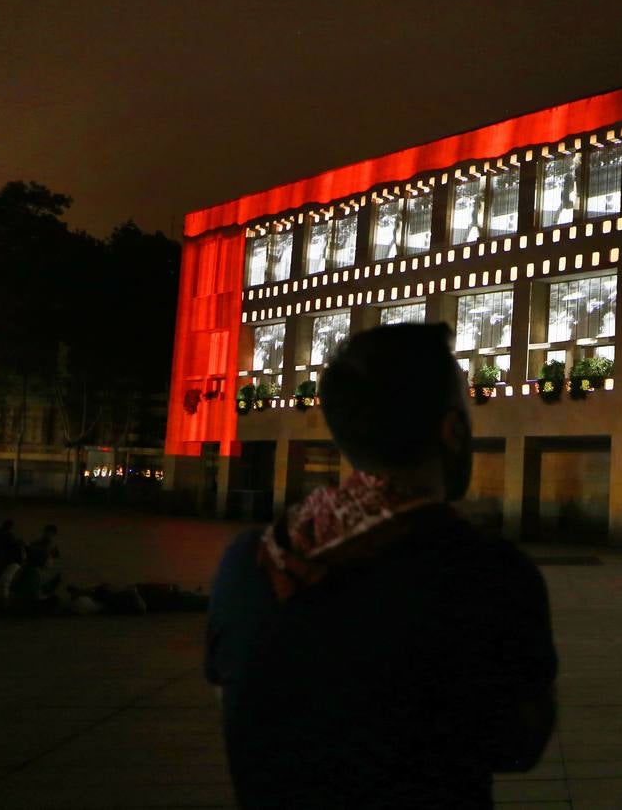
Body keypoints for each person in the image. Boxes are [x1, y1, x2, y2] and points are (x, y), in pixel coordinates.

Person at [205, 323, 557, 810]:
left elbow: (239, 713)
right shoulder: (485, 571)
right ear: (452, 432)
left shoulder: (251, 563)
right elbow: (519, 745)